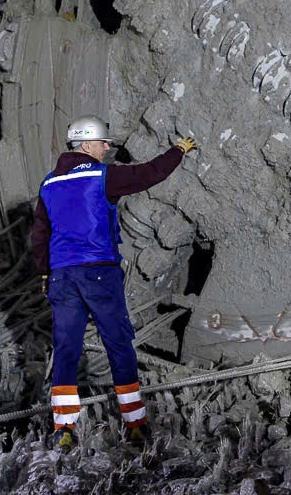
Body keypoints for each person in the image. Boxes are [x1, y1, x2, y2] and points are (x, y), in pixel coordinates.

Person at [30, 115, 196, 451]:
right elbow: (149, 174)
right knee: (118, 344)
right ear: (88, 144)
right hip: (98, 274)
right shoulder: (101, 176)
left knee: (65, 350)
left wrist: (46, 274)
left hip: (62, 276)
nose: (107, 148)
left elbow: (39, 236)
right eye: (103, 142)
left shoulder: (48, 184)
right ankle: (134, 424)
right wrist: (178, 151)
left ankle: (63, 429)